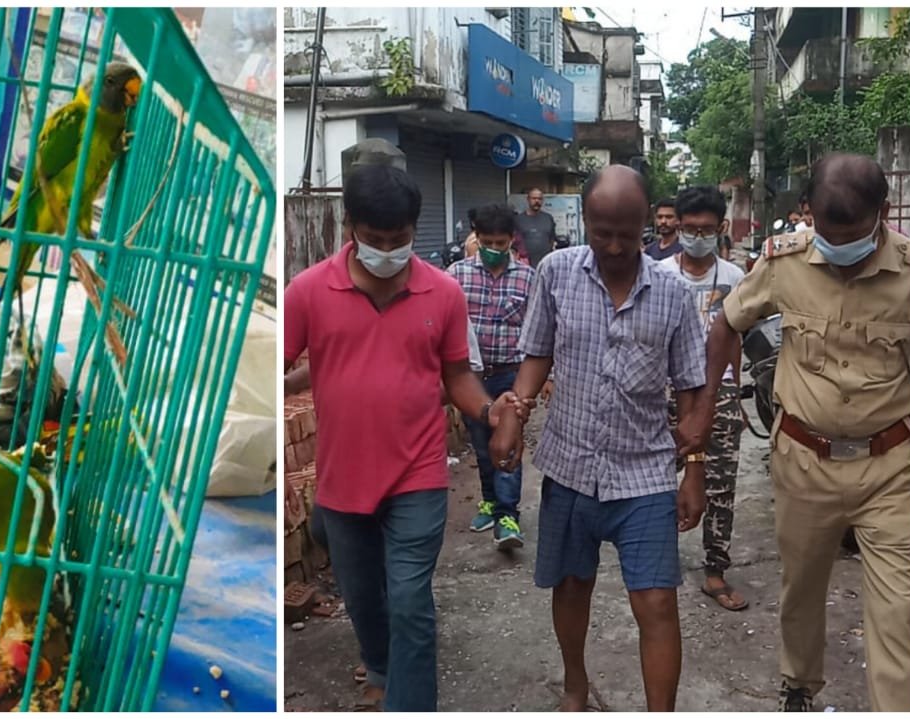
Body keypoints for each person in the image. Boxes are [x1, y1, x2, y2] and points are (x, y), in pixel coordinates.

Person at [283, 163, 528, 712]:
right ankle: (379, 665)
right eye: (375, 240)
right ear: (350, 225)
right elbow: (276, 367)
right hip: (343, 476)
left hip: (417, 473)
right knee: (364, 596)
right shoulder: (308, 292)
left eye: (400, 240)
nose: (388, 251)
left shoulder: (441, 293)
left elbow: (457, 375)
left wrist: (491, 411)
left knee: (412, 601)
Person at [684, 153, 910, 712]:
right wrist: (708, 403)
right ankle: (800, 686)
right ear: (809, 212)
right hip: (803, 462)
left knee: (901, 609)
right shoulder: (784, 261)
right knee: (801, 589)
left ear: (882, 213)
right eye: (829, 236)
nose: (838, 251)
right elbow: (727, 325)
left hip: (892, 469)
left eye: (853, 236)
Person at [490, 165, 708, 712]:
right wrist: (516, 411)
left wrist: (696, 469)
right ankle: (575, 685)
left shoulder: (675, 294)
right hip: (569, 466)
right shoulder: (556, 272)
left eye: (627, 234)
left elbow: (690, 386)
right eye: (601, 231)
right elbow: (536, 352)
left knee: (657, 602)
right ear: (583, 220)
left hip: (645, 475)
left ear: (649, 228)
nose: (613, 246)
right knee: (570, 586)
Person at [660, 186, 749, 612]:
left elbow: (748, 338)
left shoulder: (735, 280)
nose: (697, 236)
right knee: (656, 478)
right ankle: (657, 557)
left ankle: (715, 568)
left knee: (720, 484)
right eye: (690, 228)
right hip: (664, 389)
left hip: (720, 391)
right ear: (677, 226)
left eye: (707, 230)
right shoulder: (657, 273)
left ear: (721, 229)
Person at [446, 203, 535, 547]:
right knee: (482, 446)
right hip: (471, 378)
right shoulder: (456, 276)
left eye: (501, 243)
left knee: (507, 442)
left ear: (512, 240)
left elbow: (537, 328)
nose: (495, 250)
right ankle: (490, 500)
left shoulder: (528, 277)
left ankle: (508, 515)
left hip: (512, 374)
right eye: (488, 242)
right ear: (475, 237)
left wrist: (546, 376)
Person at [514, 187, 558, 268]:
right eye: (534, 198)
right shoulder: (518, 220)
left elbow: (552, 240)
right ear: (528, 199)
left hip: (545, 265)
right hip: (525, 266)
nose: (537, 201)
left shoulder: (548, 218)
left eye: (540, 199)